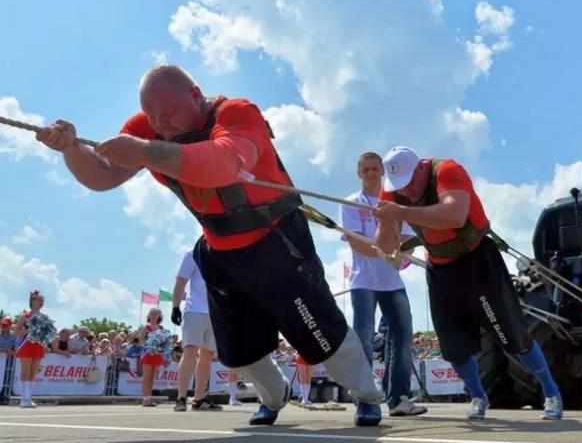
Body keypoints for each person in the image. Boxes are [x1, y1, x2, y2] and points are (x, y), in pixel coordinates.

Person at [35, 63, 383, 427]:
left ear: (196, 95)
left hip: (277, 242)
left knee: (322, 334)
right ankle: (273, 396)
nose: (161, 124)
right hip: (221, 250)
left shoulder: (237, 113)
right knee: (236, 350)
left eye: (168, 114)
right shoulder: (146, 130)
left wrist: (143, 150)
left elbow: (222, 164)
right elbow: (102, 174)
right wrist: (71, 149)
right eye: (153, 116)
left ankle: (367, 396)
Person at [374, 146, 564, 420]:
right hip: (440, 270)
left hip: (478, 263)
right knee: (453, 347)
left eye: (409, 183)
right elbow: (386, 246)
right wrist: (383, 224)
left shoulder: (448, 171)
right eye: (398, 187)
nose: (405, 191)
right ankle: (478, 396)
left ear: (421, 168)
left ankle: (551, 393)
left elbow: (454, 215)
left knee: (512, 335)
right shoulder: (394, 192)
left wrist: (400, 212)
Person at [340, 151, 426, 417]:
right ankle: (365, 400)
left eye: (375, 169)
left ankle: (398, 398)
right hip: (363, 282)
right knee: (364, 339)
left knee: (402, 337)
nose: (371, 174)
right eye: (365, 170)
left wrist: (400, 254)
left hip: (393, 281)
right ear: (359, 174)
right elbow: (357, 244)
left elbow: (409, 243)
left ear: (382, 171)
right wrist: (386, 247)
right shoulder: (352, 202)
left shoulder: (397, 203)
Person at [170, 250, 222, 412]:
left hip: (215, 312)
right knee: (190, 351)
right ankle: (181, 397)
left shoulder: (224, 255)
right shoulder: (192, 254)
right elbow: (181, 281)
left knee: (207, 355)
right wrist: (175, 307)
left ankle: (199, 399)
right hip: (195, 310)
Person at [14, 291, 50, 408]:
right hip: (26, 345)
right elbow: (17, 331)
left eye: (42, 301)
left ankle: (28, 398)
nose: (40, 303)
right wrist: (28, 332)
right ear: (32, 301)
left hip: (37, 346)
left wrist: (45, 344)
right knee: (25, 372)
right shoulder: (25, 316)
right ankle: (23, 399)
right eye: (38, 300)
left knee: (33, 373)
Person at [139, 308, 169, 407]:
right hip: (148, 354)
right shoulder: (146, 327)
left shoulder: (161, 328)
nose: (154, 316)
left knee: (152, 378)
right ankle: (145, 399)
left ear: (159, 316)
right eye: (152, 314)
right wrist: (150, 347)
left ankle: (149, 398)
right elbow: (142, 341)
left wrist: (162, 351)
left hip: (158, 355)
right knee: (146, 377)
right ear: (149, 315)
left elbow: (165, 343)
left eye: (156, 314)